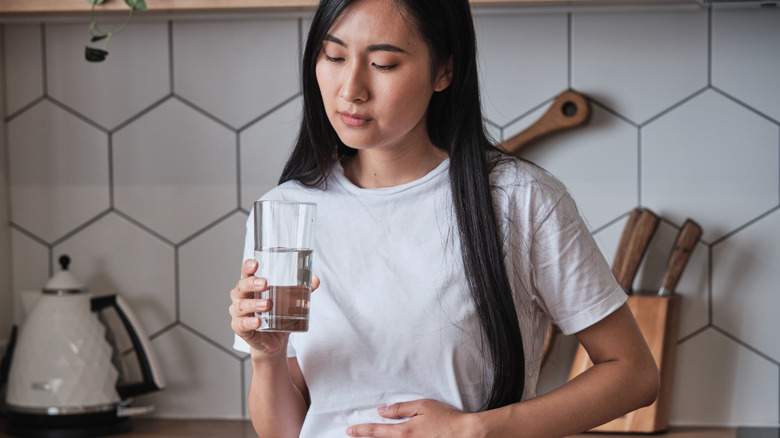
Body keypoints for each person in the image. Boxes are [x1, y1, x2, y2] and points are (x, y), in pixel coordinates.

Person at [228, 0, 659, 436]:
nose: (350, 88)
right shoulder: (285, 214)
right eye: (334, 56)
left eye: (383, 63)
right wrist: (267, 358)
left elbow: (633, 373)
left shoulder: (519, 198)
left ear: (444, 71)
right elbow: (284, 432)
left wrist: (475, 430)